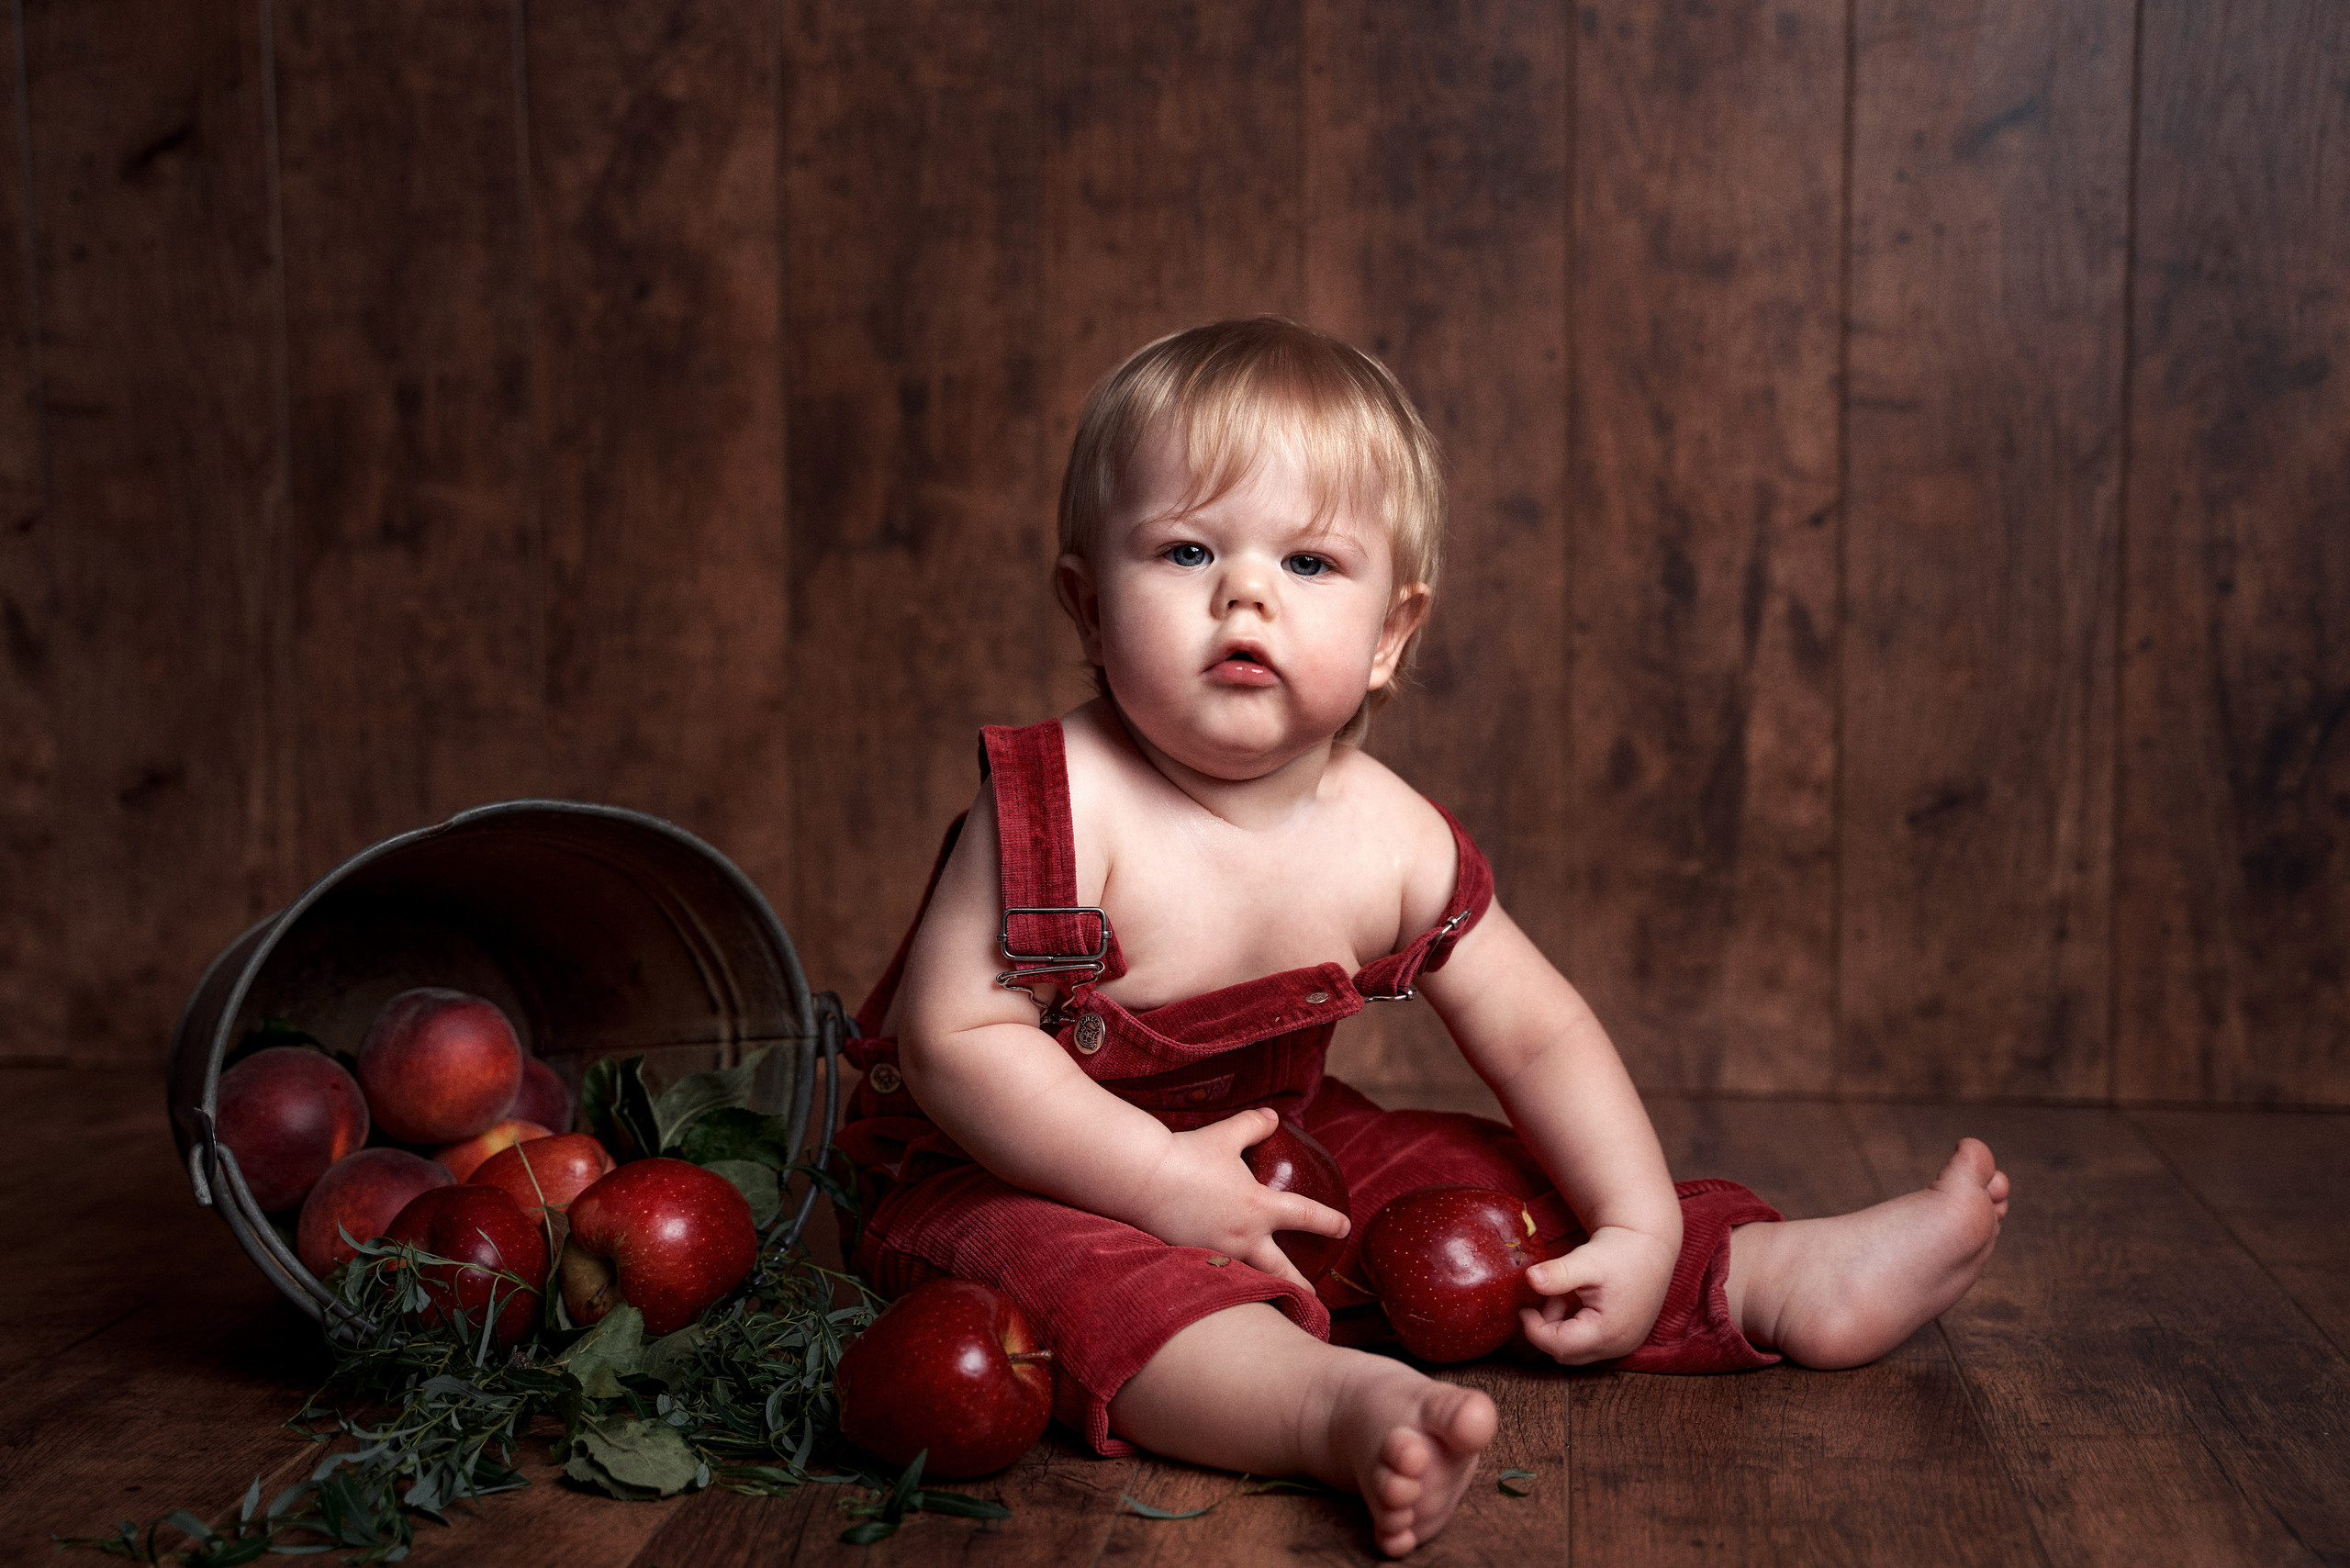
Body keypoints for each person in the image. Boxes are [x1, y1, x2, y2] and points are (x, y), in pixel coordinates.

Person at [834, 317, 2009, 1556]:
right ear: (1088, 606)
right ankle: (1325, 1409)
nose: (1244, 593)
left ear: (1391, 635)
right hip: (1003, 1168)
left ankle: (1753, 1277)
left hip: (1272, 1155)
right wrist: (1152, 1181)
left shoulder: (1388, 836)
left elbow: (1539, 1032)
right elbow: (955, 1041)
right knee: (1077, 1278)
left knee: (1470, 1185)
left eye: (1309, 563)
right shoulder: (1058, 804)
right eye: (1186, 551)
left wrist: (1634, 1219)